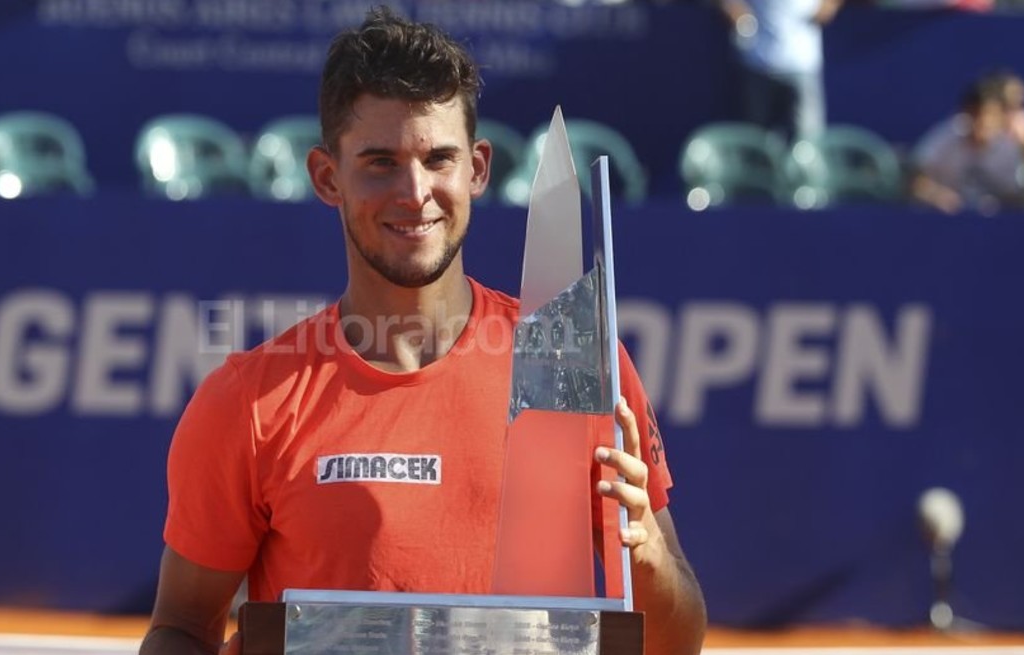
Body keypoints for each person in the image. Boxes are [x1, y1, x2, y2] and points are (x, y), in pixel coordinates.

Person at [140, 8, 706, 655]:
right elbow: (180, 627)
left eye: (439, 158)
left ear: (478, 167)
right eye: (380, 161)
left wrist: (651, 558)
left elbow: (678, 641)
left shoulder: (573, 356)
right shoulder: (249, 399)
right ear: (328, 176)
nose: (414, 191)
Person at [720, 0, 842, 142]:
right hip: (757, 63)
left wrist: (830, 5)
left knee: (808, 142)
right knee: (755, 142)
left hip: (802, 64)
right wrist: (732, 7)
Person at [911, 79, 1024, 213]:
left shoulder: (1010, 149)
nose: (983, 121)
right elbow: (917, 179)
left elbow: (1020, 196)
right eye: (976, 114)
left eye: (990, 114)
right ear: (965, 112)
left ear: (1000, 116)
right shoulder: (946, 137)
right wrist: (937, 195)